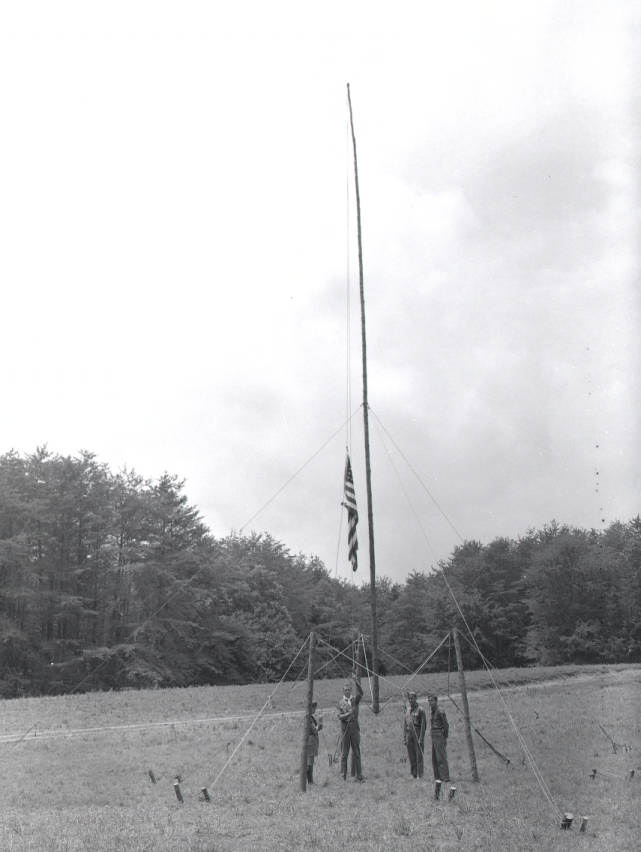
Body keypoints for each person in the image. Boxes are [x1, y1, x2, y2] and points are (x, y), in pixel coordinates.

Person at [337, 672, 364, 781]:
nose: (347, 691)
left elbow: (361, 693)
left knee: (357, 752)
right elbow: (339, 716)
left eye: (349, 690)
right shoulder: (340, 703)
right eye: (346, 690)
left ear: (351, 691)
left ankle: (359, 775)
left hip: (355, 729)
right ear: (343, 691)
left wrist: (356, 681)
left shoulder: (354, 700)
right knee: (344, 753)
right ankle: (343, 775)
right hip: (345, 730)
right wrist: (348, 714)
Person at [403, 690, 426, 778]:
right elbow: (405, 724)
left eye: (412, 698)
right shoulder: (407, 710)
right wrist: (404, 737)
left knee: (419, 755)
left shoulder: (421, 710)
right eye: (409, 699)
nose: (411, 700)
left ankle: (420, 775)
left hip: (417, 731)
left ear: (416, 698)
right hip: (409, 733)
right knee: (411, 755)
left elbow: (423, 725)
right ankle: (414, 774)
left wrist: (421, 738)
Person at [428, 693, 450, 782]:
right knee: (434, 758)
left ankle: (445, 777)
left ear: (436, 701)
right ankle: (437, 777)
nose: (430, 703)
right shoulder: (432, 711)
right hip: (434, 735)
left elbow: (446, 725)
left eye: (432, 701)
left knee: (441, 757)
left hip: (439, 734)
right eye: (429, 701)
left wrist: (444, 736)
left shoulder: (440, 711)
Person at [306, 701, 323, 784]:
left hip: (312, 741)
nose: (315, 709)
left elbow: (317, 729)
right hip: (310, 742)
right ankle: (310, 781)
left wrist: (320, 724)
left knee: (311, 761)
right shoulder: (308, 718)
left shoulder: (311, 717)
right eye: (314, 707)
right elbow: (314, 730)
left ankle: (310, 781)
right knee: (310, 762)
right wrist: (320, 722)